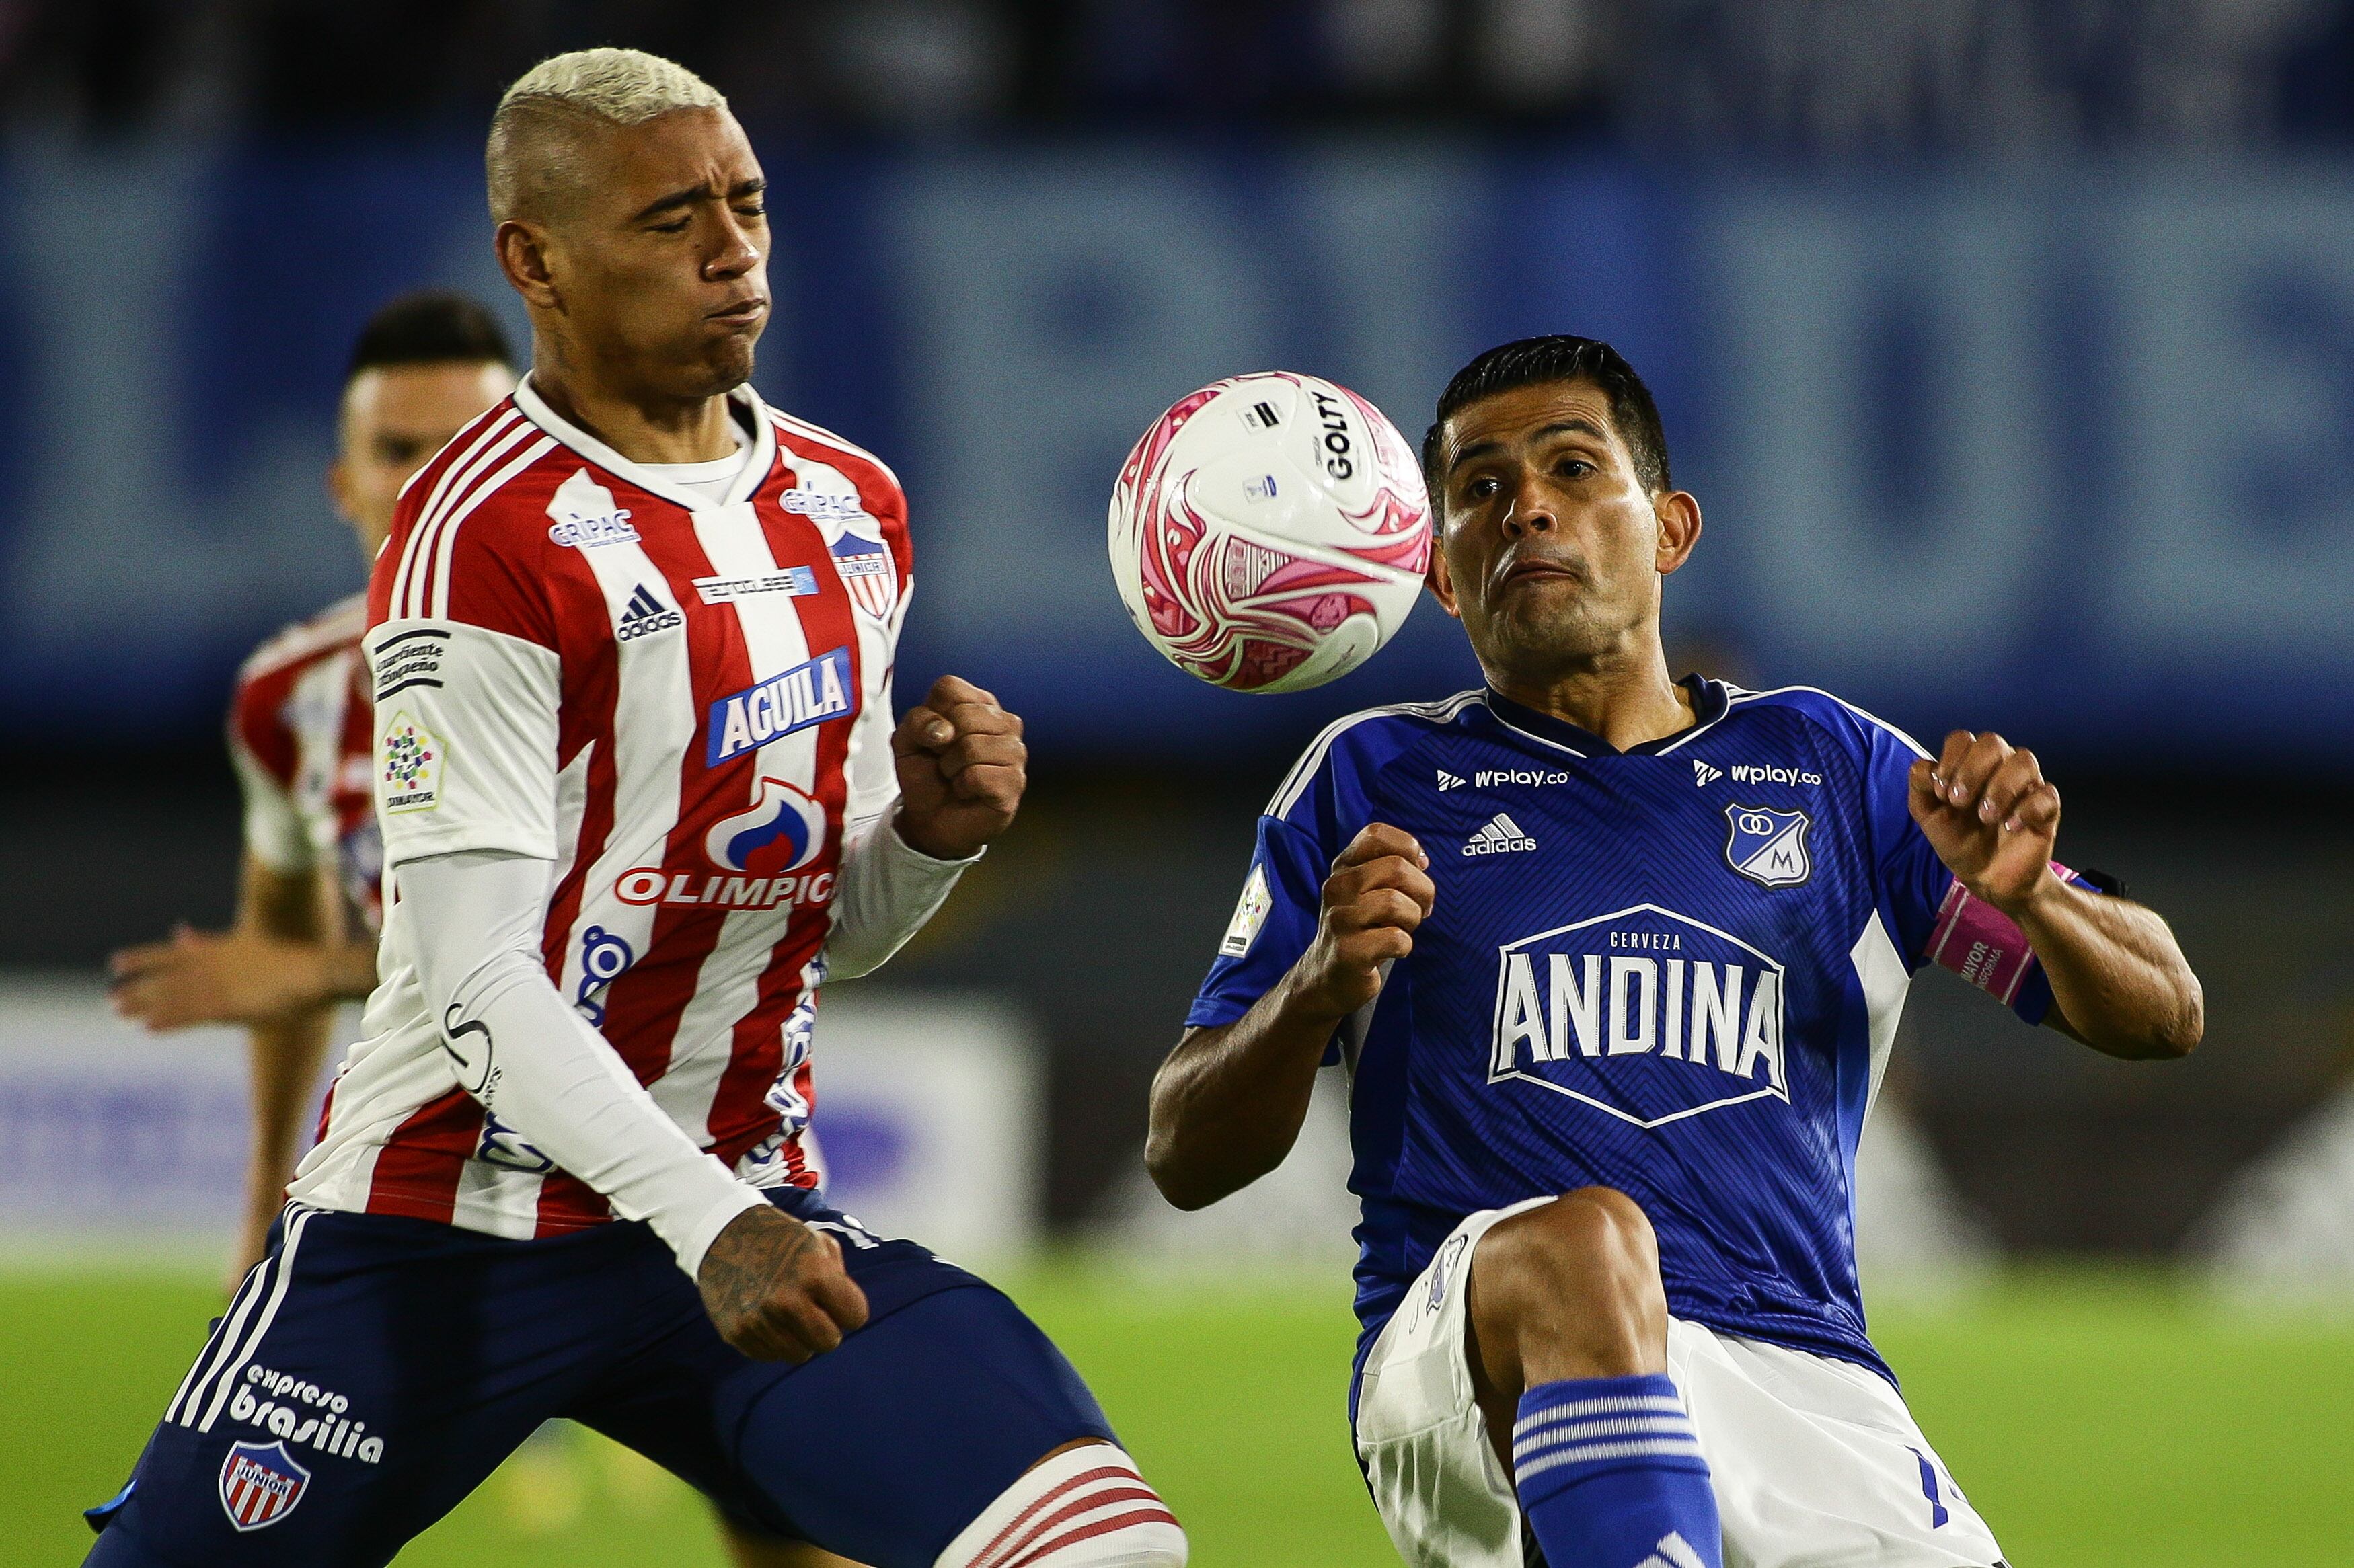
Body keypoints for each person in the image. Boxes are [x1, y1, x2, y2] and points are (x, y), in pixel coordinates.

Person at [84, 48, 1185, 1568]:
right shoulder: (485, 535)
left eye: (745, 202)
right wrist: (708, 1221)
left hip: (739, 1203)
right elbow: (472, 975)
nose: (733, 249)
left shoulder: (847, 505)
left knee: (1104, 1547)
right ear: (533, 260)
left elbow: (826, 934)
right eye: (671, 219)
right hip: (440, 1227)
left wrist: (925, 840)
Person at [1145, 336, 2203, 1568]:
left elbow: (2165, 1011)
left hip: (1804, 1377)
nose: (1526, 505)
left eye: (1574, 468)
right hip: (1481, 1352)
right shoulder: (1372, 781)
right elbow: (1182, 1148)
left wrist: (2037, 904)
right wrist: (1318, 987)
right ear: (1441, 574)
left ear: (1672, 529)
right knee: (1590, 1244)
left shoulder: (1835, 772)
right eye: (1480, 488)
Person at [108, 294, 517, 1280]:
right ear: (344, 484)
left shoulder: (613, 668)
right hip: (428, 1159)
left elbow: (594, 946)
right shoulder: (291, 700)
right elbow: (277, 947)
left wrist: (319, 973)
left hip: (632, 1146)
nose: (428, 486)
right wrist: (264, 1193)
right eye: (398, 451)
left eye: (464, 450)